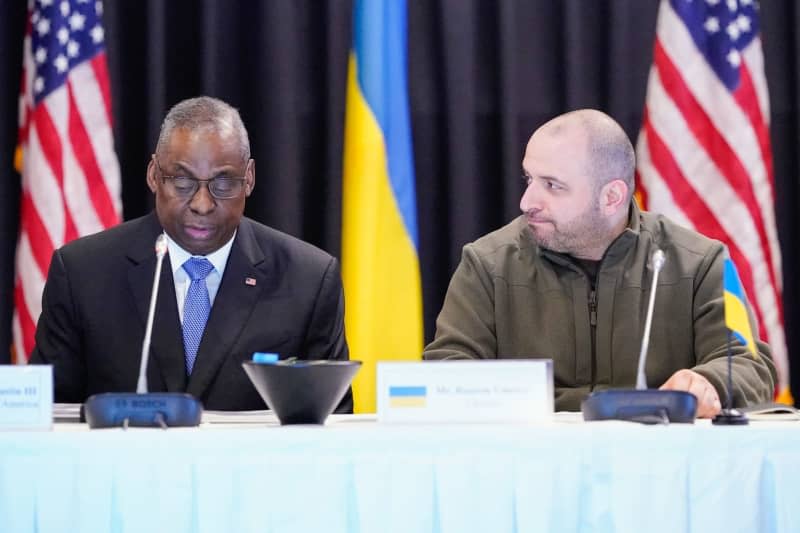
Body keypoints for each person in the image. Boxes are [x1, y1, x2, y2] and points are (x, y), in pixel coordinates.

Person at [423, 109, 776, 418]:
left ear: (611, 197)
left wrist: (708, 383)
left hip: (658, 473)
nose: (527, 200)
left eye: (552, 186)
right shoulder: (488, 264)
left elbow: (749, 365)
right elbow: (446, 372)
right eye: (529, 179)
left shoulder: (698, 263)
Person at [30, 96, 353, 412]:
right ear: (154, 175)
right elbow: (49, 415)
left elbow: (332, 426)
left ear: (249, 178)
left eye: (223, 183)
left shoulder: (308, 280)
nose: (202, 204)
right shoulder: (83, 273)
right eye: (182, 182)